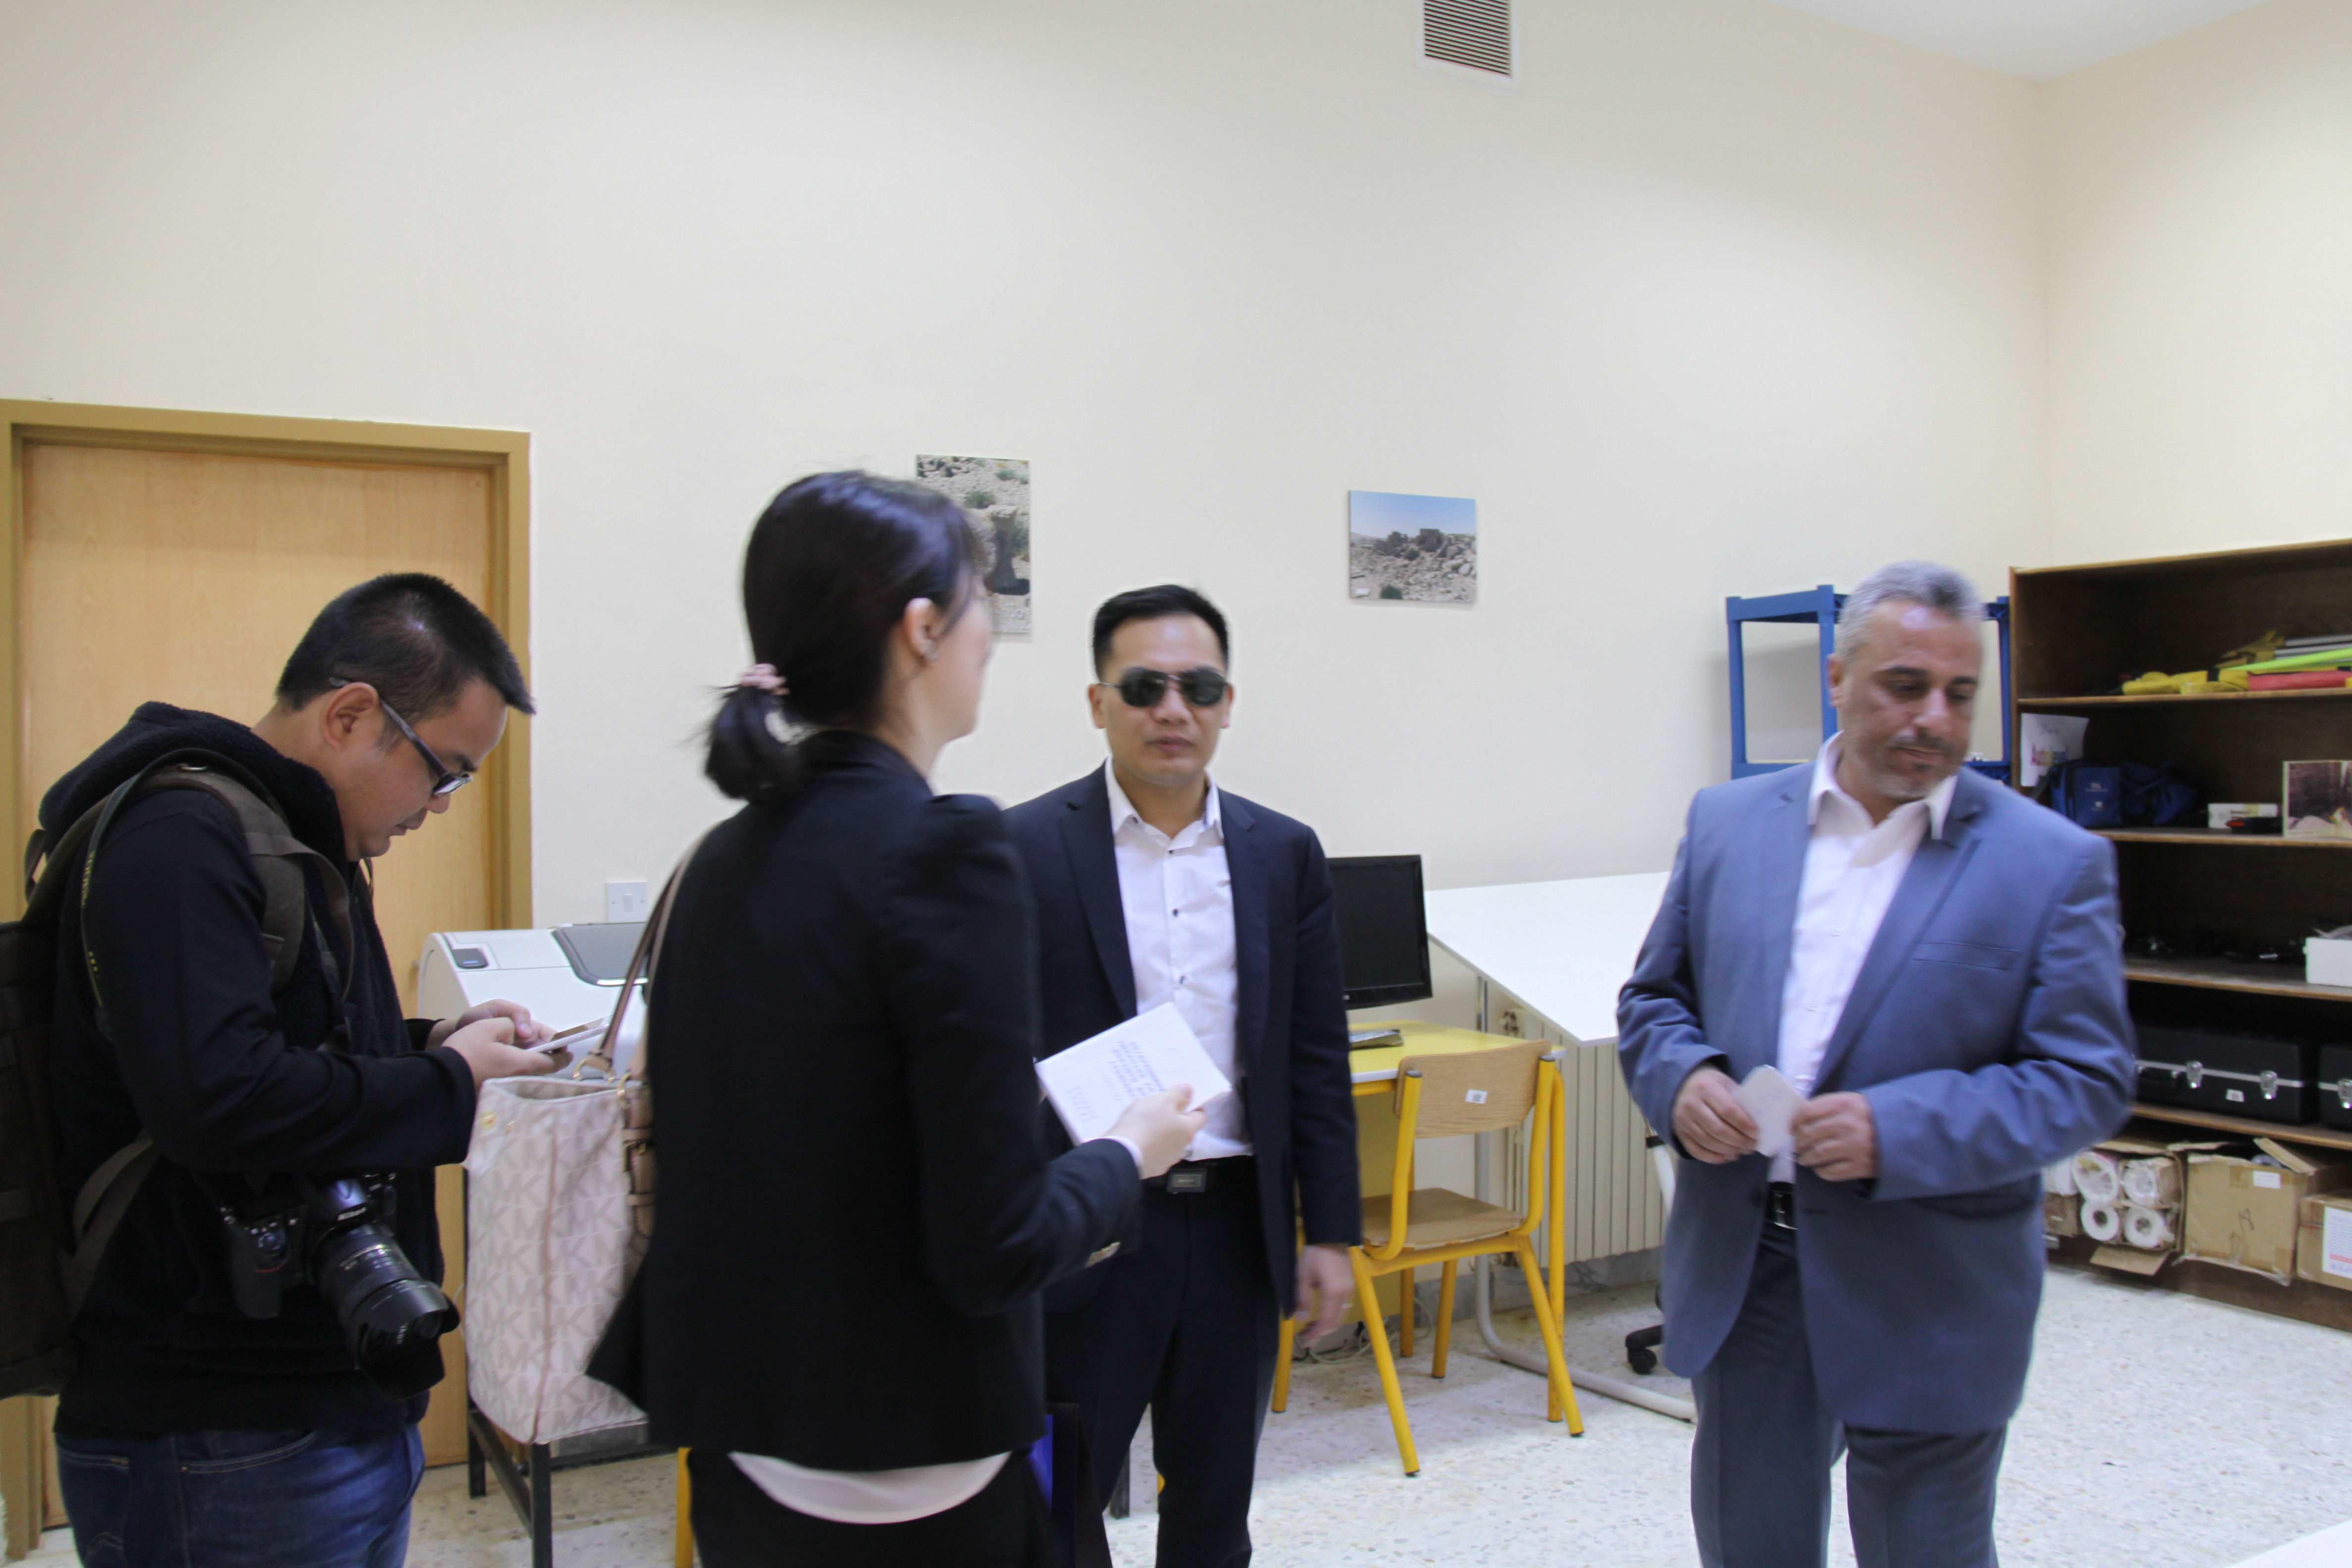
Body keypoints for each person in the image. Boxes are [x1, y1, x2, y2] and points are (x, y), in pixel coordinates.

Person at [592, 473, 1202, 1568]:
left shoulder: (720, 858)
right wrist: (1127, 1153)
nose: (989, 639)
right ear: (923, 630)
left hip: (742, 1441)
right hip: (909, 1462)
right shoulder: (945, 853)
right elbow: (995, 1245)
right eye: (980, 604)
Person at [1617, 561, 2136, 1568]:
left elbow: (2086, 1078)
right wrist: (1682, 1080)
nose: (1934, 718)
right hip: (1751, 1269)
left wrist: (1899, 1130)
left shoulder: (2050, 862)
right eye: (1905, 685)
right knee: (1752, 1545)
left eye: (1960, 693)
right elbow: (1654, 1000)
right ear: (1837, 677)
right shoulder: (1726, 825)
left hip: (1933, 1280)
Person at [42, 574, 560, 1568]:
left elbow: (294, 1047)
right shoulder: (180, 838)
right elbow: (218, 1101)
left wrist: (436, 1046)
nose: (439, 807)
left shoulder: (293, 839)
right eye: (443, 772)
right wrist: (449, 1090)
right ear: (352, 715)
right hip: (219, 1431)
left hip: (317, 1409)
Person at [1003, 584, 1361, 1568]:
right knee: (1052, 1502)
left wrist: (1330, 1231)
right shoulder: (1022, 848)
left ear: (1227, 703)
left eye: (1197, 687)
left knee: (1213, 1503)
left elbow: (1315, 1055)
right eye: (1144, 687)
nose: (1173, 709)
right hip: (1088, 1224)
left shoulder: (1282, 852)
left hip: (1236, 1230)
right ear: (1098, 702)